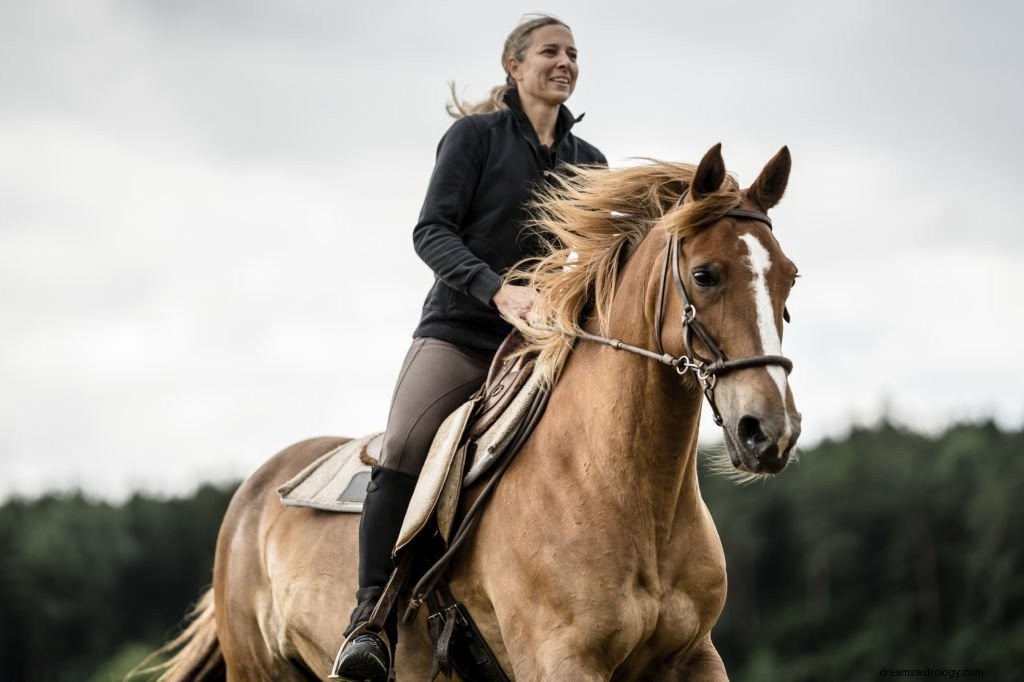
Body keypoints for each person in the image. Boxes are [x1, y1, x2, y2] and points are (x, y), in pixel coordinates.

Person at [330, 14, 606, 682]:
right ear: (515, 66)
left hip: (543, 345)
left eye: (573, 53)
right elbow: (431, 232)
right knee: (403, 446)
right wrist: (496, 292)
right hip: (460, 333)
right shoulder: (473, 138)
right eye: (550, 51)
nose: (565, 62)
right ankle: (370, 623)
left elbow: (598, 261)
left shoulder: (589, 162)